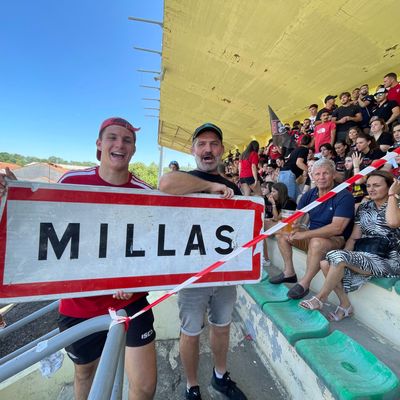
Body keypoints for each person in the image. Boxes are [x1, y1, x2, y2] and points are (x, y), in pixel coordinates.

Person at [0, 117, 157, 400]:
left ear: (134, 150)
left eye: (127, 140)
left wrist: (136, 281)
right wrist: (15, 198)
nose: (120, 144)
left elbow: (154, 249)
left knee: (145, 387)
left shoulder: (145, 193)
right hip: (80, 305)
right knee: (85, 375)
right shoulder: (72, 181)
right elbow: (44, 228)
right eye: (112, 137)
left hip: (131, 303)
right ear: (99, 145)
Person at [158, 122, 247, 400]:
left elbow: (244, 227)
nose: (208, 149)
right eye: (202, 144)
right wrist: (210, 186)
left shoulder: (234, 187)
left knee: (222, 328)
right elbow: (165, 184)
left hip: (224, 274)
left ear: (221, 150)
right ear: (193, 150)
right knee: (191, 333)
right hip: (192, 275)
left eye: (213, 144)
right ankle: (192, 386)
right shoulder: (184, 178)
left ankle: (220, 377)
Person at [299, 171, 400, 321]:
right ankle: (345, 304)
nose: (371, 189)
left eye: (377, 185)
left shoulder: (396, 204)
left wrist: (392, 195)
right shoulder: (365, 207)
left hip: (389, 260)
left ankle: (320, 298)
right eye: (369, 185)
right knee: (326, 262)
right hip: (366, 255)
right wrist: (342, 258)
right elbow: (354, 237)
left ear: (390, 186)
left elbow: (393, 222)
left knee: (337, 257)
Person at [269, 159, 355, 300]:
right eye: (317, 174)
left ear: (333, 174)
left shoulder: (344, 195)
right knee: (282, 235)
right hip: (313, 234)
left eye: (325, 173)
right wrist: (294, 227)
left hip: (336, 240)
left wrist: (305, 234)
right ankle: (289, 272)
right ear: (312, 177)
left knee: (316, 242)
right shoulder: (310, 194)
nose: (321, 177)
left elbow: (337, 228)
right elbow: (297, 217)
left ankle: (305, 283)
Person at [278, 135, 311, 200]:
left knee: (298, 197)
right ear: (310, 142)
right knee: (291, 199)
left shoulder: (297, 149)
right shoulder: (304, 149)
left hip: (283, 173)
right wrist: (310, 170)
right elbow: (299, 163)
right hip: (288, 174)